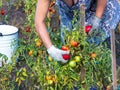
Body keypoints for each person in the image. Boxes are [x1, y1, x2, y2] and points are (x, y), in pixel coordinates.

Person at [34, 0, 120, 63]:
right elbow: (39, 21)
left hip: (98, 8)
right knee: (71, 46)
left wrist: (97, 19)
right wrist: (50, 48)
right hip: (70, 15)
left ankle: (99, 64)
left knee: (94, 48)